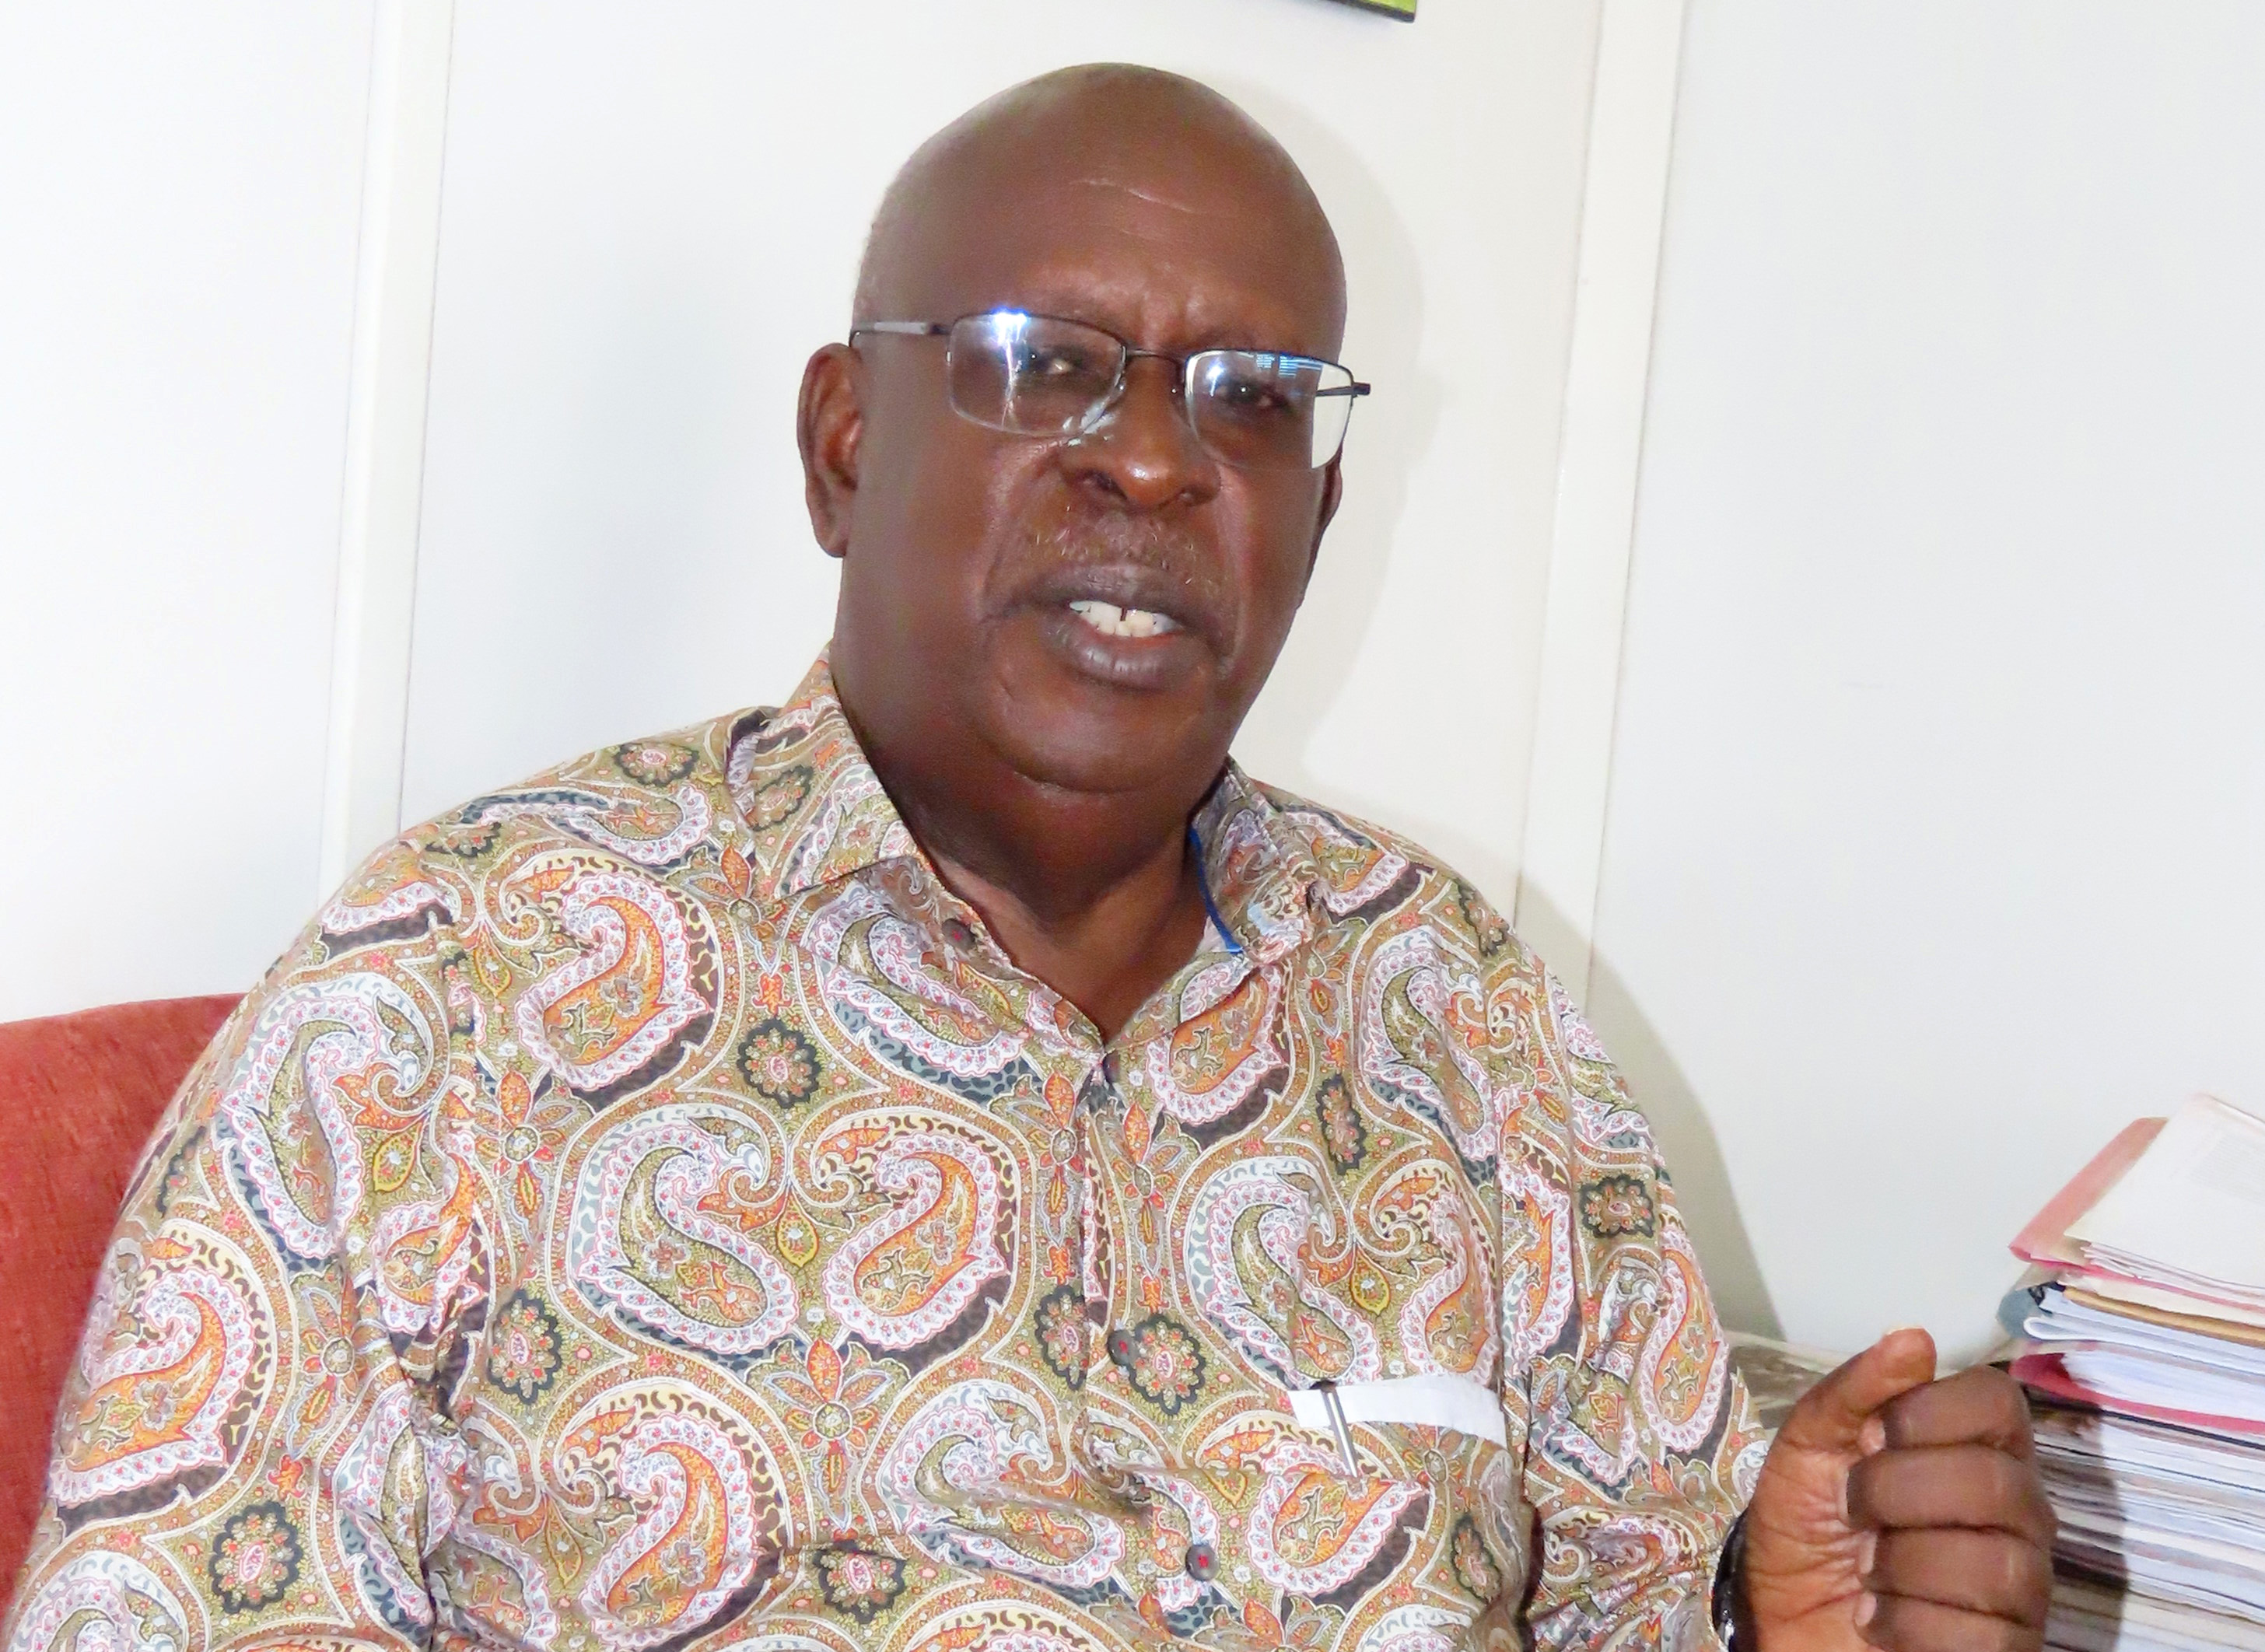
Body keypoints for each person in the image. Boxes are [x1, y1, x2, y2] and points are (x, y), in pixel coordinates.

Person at [5, 65, 2052, 1652]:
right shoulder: (452, 990)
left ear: (1317, 515)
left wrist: (1780, 1610)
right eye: (1038, 362)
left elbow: (1657, 1582)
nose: (1155, 456)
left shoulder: (1461, 1011)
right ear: (842, 446)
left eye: (1250, 401)